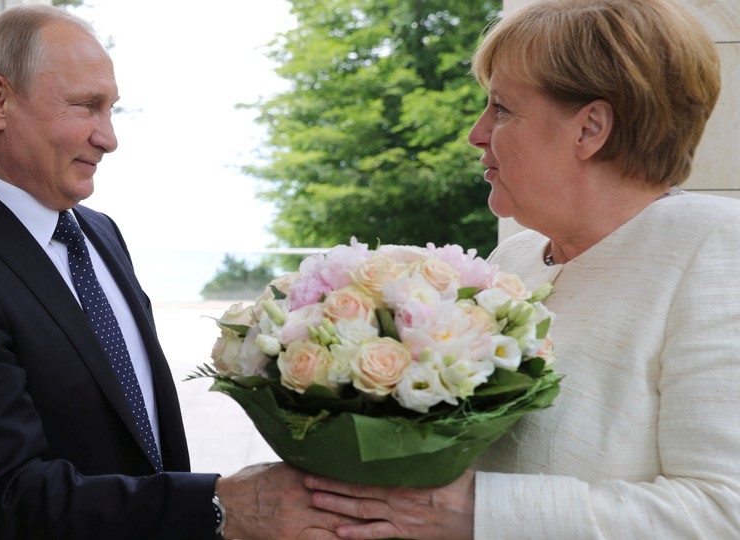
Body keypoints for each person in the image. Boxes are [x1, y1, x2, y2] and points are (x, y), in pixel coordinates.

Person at [0, 5, 352, 539]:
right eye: (86, 107)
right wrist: (219, 505)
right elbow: (7, 500)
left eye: (111, 111)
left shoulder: (99, 232)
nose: (108, 138)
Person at [302, 0, 740, 538]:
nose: (476, 133)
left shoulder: (719, 249)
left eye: (502, 109)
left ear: (590, 128)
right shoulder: (513, 260)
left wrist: (475, 513)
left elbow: (724, 511)